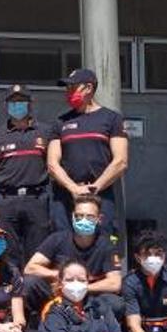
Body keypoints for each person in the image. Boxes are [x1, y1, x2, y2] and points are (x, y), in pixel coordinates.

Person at [48, 69, 128, 235]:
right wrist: (74, 189)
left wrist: (95, 188)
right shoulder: (60, 122)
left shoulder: (111, 119)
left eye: (72, 87)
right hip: (65, 197)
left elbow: (120, 161)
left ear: (88, 88)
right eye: (66, 88)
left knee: (101, 245)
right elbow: (52, 164)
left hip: (101, 196)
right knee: (64, 248)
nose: (68, 92)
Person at [0, 84, 55, 264]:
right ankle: (11, 289)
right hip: (6, 201)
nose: (17, 106)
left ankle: (34, 290)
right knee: (8, 252)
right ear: (6, 106)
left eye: (21, 101)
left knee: (38, 251)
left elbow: (55, 164)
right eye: (13, 102)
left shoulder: (45, 132)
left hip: (36, 200)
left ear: (30, 104)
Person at [23, 194, 125, 319]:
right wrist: (58, 276)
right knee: (29, 283)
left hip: (89, 295)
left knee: (116, 304)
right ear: (72, 217)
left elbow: (115, 283)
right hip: (59, 291)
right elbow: (30, 268)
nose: (84, 220)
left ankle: (94, 329)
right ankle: (33, 326)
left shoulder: (107, 245)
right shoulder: (57, 239)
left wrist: (82, 288)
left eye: (90, 217)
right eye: (79, 216)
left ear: (99, 219)